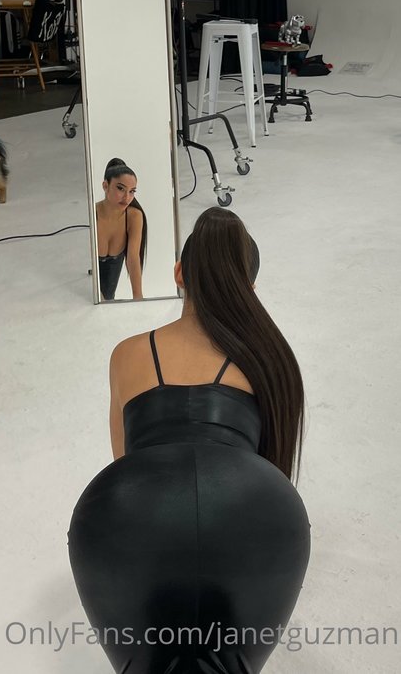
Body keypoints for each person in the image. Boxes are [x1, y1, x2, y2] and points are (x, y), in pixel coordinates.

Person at [68, 207, 310, 673]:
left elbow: (125, 461)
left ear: (179, 274)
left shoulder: (127, 354)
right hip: (252, 510)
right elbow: (272, 471)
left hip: (133, 512)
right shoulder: (272, 359)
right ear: (250, 289)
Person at [96, 158, 147, 300]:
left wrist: (138, 297)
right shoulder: (92, 213)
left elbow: (133, 258)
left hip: (107, 300)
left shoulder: (134, 216)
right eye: (120, 188)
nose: (127, 197)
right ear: (105, 186)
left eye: (132, 191)